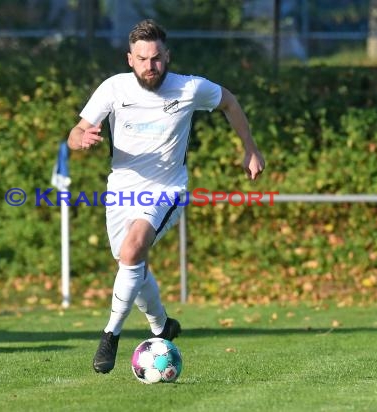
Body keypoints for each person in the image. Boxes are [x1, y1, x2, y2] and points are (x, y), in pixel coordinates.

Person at [67, 19, 265, 374]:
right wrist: (79, 139)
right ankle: (162, 327)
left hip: (167, 189)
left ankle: (110, 335)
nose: (150, 66)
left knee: (133, 249)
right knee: (130, 262)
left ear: (167, 56)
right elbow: (77, 130)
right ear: (130, 59)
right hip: (120, 190)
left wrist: (250, 149)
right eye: (142, 59)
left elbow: (230, 103)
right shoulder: (113, 88)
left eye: (156, 58)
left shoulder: (189, 88)